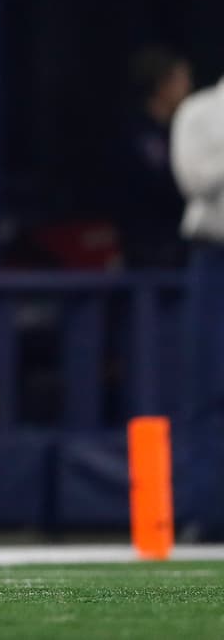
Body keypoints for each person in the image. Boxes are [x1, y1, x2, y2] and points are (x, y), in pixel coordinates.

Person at [169, 73, 224, 541]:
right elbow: (196, 179)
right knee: (208, 388)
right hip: (215, 256)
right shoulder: (200, 111)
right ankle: (207, 513)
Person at [115, 47, 192, 268]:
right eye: (181, 80)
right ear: (162, 86)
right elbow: (165, 186)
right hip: (149, 248)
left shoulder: (178, 130)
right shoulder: (138, 133)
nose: (188, 87)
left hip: (178, 245)